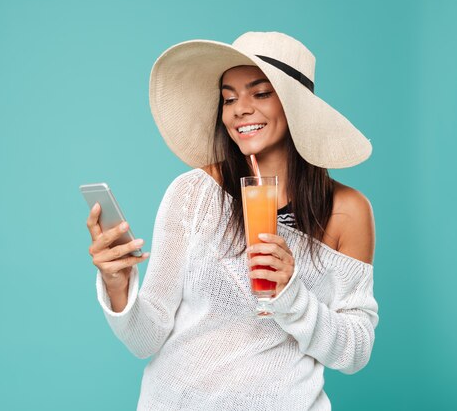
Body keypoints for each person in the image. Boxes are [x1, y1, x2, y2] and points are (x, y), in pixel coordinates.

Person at [85, 31, 378, 410]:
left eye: (260, 93)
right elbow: (146, 338)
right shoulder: (193, 192)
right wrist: (118, 285)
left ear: (295, 107)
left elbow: (354, 352)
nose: (239, 109)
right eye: (228, 98)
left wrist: (292, 294)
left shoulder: (347, 211)